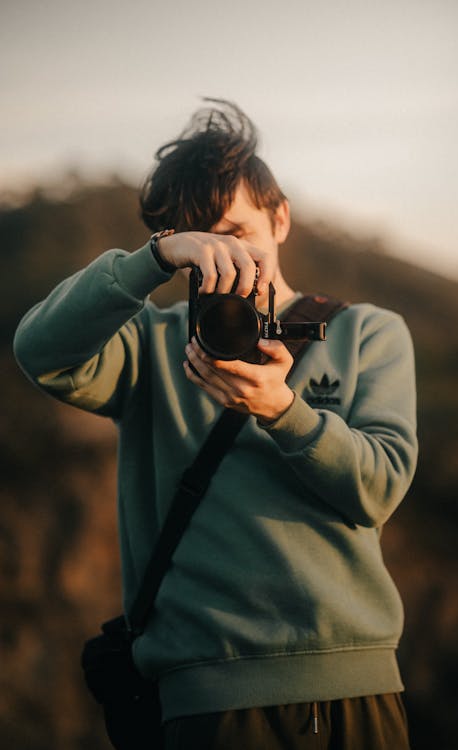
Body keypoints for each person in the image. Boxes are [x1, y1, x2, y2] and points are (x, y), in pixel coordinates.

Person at [14, 99, 418, 749]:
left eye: (236, 232)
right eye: (198, 242)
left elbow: (377, 490)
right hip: (206, 698)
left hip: (354, 686)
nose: (223, 258)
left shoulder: (365, 332)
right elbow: (40, 352)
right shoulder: (148, 345)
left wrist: (284, 412)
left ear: (279, 218)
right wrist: (150, 259)